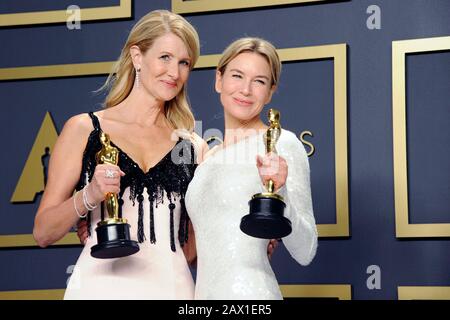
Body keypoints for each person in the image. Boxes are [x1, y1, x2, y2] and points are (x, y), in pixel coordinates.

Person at [33, 10, 202, 300]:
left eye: (184, 62)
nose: (174, 73)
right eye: (164, 57)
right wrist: (90, 195)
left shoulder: (191, 146)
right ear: (137, 57)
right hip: (100, 288)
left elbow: (192, 248)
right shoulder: (84, 128)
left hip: (173, 291)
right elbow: (43, 232)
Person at [184, 37, 318, 299]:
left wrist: (282, 195)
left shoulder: (282, 144)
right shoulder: (206, 160)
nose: (245, 89)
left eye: (259, 81)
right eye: (237, 75)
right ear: (218, 80)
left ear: (270, 92)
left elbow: (306, 250)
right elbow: (202, 247)